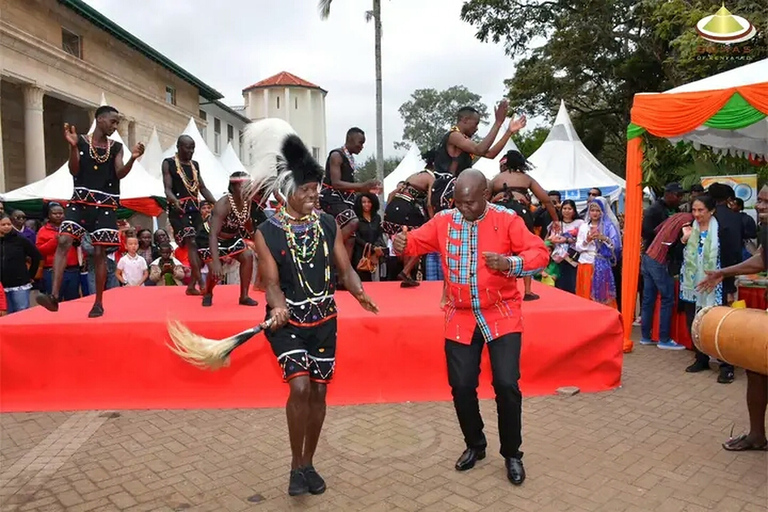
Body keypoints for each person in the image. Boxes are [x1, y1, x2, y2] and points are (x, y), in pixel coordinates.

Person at [244, 118, 378, 496]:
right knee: (299, 387)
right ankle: (294, 465)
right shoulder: (267, 232)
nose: (313, 195)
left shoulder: (327, 223)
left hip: (324, 320)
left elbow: (345, 268)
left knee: (319, 393)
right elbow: (270, 283)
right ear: (288, 190)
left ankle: (308, 463)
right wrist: (277, 306)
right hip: (286, 323)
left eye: (315, 189)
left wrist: (359, 291)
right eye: (305, 189)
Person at [393, 169, 549, 485]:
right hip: (460, 315)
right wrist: (401, 242)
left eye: (469, 203)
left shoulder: (507, 220)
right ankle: (475, 444)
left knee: (506, 385)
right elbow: (413, 244)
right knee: (462, 386)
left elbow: (539, 253)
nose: (462, 209)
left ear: (485, 197)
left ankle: (512, 453)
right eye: (458, 202)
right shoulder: (445, 220)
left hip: (501, 313)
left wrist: (511, 264)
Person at [36, 106, 144, 317]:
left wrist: (133, 158)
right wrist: (73, 147)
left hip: (104, 205)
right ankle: (54, 297)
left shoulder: (116, 148)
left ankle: (98, 302)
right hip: (80, 201)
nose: (115, 126)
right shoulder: (82, 142)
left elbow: (119, 173)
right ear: (100, 119)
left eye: (117, 123)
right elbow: (74, 170)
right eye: (112, 122)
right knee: (64, 240)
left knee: (99, 252)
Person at [697, 183, 768, 451]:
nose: (759, 206)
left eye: (765, 202)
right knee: (756, 368)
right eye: (759, 201)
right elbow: (761, 260)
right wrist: (722, 273)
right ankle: (757, 436)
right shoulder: (765, 229)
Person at [430, 103, 525, 215]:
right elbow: (480, 150)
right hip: (448, 190)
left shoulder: (463, 140)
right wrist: (498, 123)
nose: (476, 128)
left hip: (459, 189)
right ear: (465, 120)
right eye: (476, 124)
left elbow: (490, 154)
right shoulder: (454, 136)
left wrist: (509, 132)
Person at [491, 150, 560, 301]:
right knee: (526, 249)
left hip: (499, 212)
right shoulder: (526, 178)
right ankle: (527, 291)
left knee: (499, 248)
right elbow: (546, 200)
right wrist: (556, 220)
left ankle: (499, 290)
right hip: (520, 212)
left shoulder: (497, 179)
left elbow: (484, 198)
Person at [197, 172, 261, 307]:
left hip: (233, 236)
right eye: (243, 186)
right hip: (211, 237)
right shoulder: (223, 205)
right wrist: (215, 261)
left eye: (248, 186)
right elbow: (213, 234)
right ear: (233, 187)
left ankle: (244, 296)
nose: (247, 189)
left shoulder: (247, 201)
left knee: (247, 255)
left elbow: (246, 220)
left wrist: (255, 239)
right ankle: (208, 292)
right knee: (217, 269)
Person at [162, 135, 216, 296]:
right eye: (188, 147)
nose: (191, 151)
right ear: (179, 147)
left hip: (195, 209)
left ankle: (191, 286)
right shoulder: (169, 163)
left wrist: (216, 202)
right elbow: (167, 188)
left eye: (193, 148)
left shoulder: (195, 165)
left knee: (200, 246)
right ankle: (201, 283)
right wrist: (174, 200)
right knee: (192, 241)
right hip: (178, 210)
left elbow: (202, 188)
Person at [320, 128, 381, 259]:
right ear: (350, 139)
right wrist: (361, 187)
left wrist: (366, 188)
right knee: (353, 222)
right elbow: (336, 183)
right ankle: (325, 252)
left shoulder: (349, 157)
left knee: (351, 239)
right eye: (360, 143)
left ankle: (344, 275)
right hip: (331, 198)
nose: (362, 147)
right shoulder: (336, 155)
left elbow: (348, 184)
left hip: (344, 200)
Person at [639, 212, 692, 350]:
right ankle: (664, 339)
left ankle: (645, 337)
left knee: (648, 299)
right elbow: (685, 238)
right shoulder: (688, 222)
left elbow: (655, 231)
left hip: (648, 256)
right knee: (667, 298)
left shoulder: (676, 216)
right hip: (659, 260)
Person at [574, 197, 622, 308]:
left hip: (602, 264)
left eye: (597, 210)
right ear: (589, 212)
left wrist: (604, 238)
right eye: (592, 210)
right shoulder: (584, 227)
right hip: (585, 263)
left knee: (602, 296)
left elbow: (615, 246)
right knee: (585, 293)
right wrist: (587, 240)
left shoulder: (608, 226)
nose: (595, 213)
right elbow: (578, 247)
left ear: (602, 212)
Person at [36, 202, 80, 301]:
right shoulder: (43, 230)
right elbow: (40, 250)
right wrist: (55, 241)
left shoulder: (71, 228)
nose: (58, 215)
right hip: (51, 270)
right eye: (55, 213)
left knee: (73, 300)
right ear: (49, 215)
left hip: (72, 269)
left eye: (61, 213)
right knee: (55, 299)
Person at [0, 213, 41, 313]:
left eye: (8, 224)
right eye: (3, 225)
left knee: (22, 312)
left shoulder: (20, 240)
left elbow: (36, 256)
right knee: (6, 315)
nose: (6, 227)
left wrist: (31, 275)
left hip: (20, 284)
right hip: (1, 286)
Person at [351, 193, 386, 282]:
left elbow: (379, 234)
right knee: (363, 279)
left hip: (376, 253)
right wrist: (371, 248)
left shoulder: (377, 218)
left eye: (369, 202)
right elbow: (356, 237)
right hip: (360, 254)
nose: (367, 204)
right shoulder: (356, 219)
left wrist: (376, 249)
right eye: (364, 202)